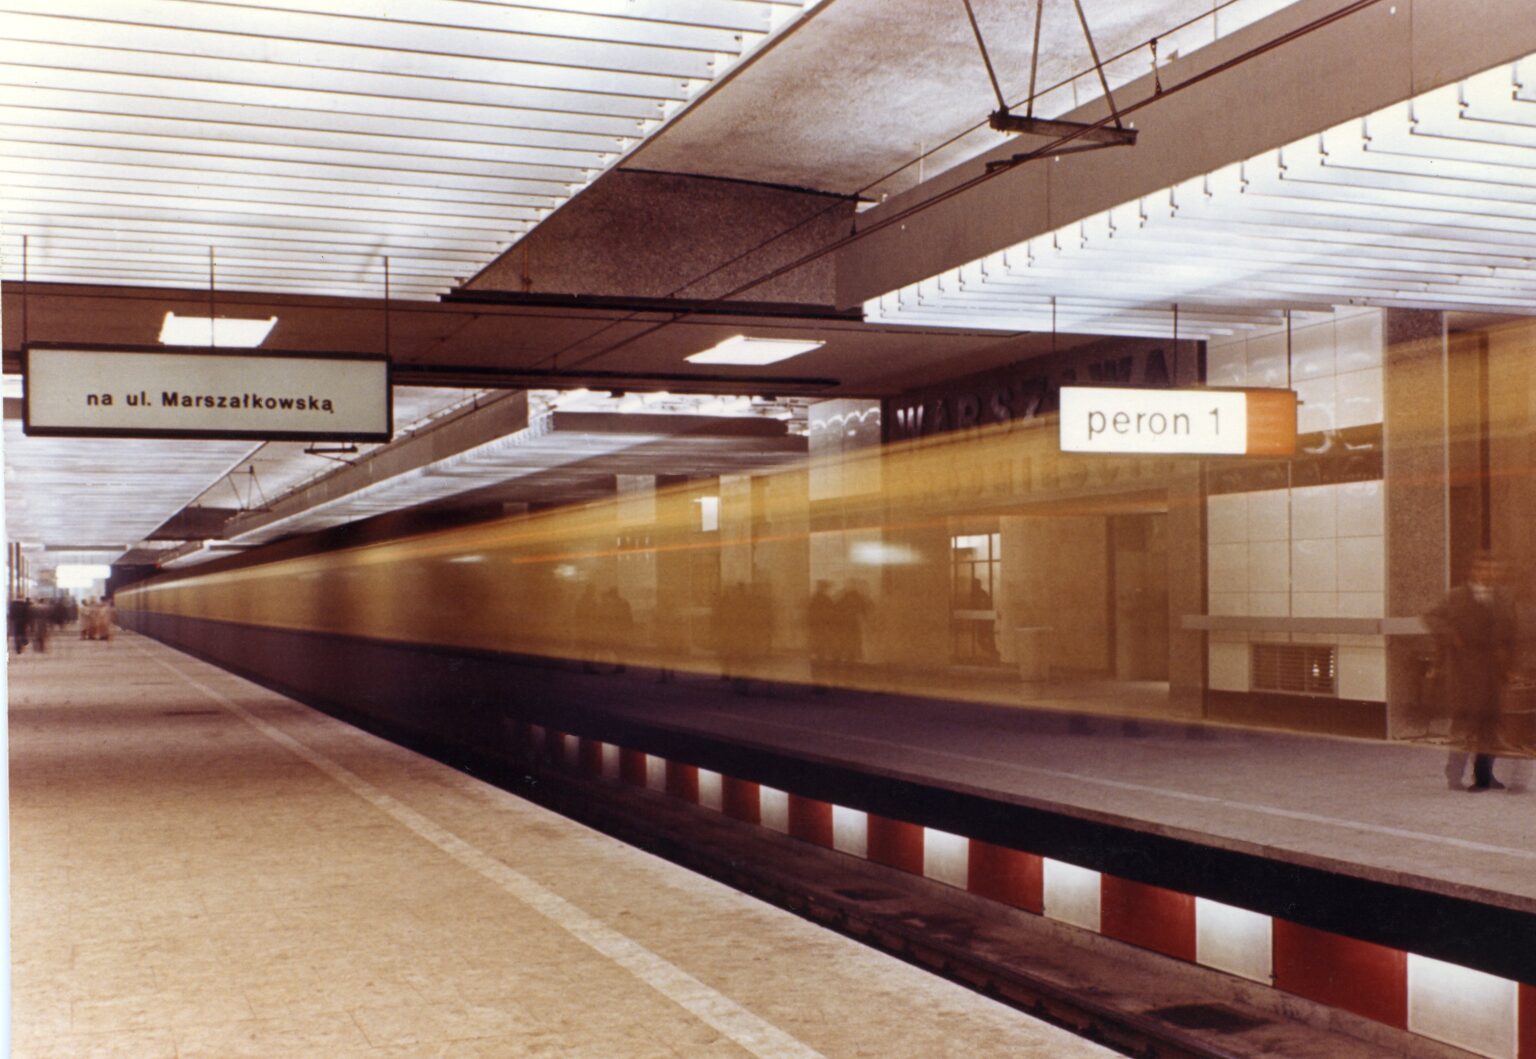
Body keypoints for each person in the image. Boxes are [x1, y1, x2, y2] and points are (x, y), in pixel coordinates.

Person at [1425, 552, 1518, 791]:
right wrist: (1451, 636)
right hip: (1465, 671)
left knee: (1490, 725)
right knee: (1464, 725)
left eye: (1493, 570)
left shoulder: (1503, 598)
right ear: (1474, 571)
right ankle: (1454, 775)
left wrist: (1509, 666)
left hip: (1492, 673)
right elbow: (1431, 617)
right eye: (1483, 569)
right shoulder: (1456, 596)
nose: (1489, 574)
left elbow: (1511, 633)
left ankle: (1484, 776)